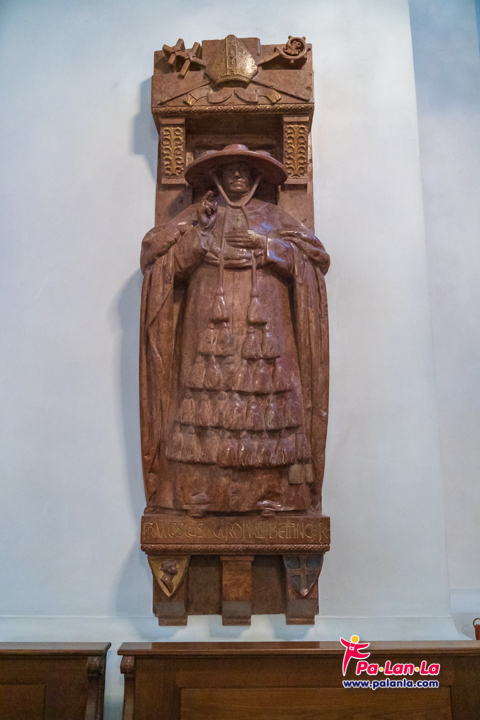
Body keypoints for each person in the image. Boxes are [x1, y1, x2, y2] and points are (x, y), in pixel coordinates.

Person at [140, 145, 330, 517]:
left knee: (269, 405)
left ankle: (275, 494)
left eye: (244, 168)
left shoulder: (273, 217)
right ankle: (198, 493)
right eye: (230, 169)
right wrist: (199, 237)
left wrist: (268, 246)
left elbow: (316, 259)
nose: (238, 175)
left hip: (266, 320)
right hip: (207, 316)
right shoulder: (201, 215)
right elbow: (160, 261)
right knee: (201, 403)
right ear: (218, 177)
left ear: (256, 177)